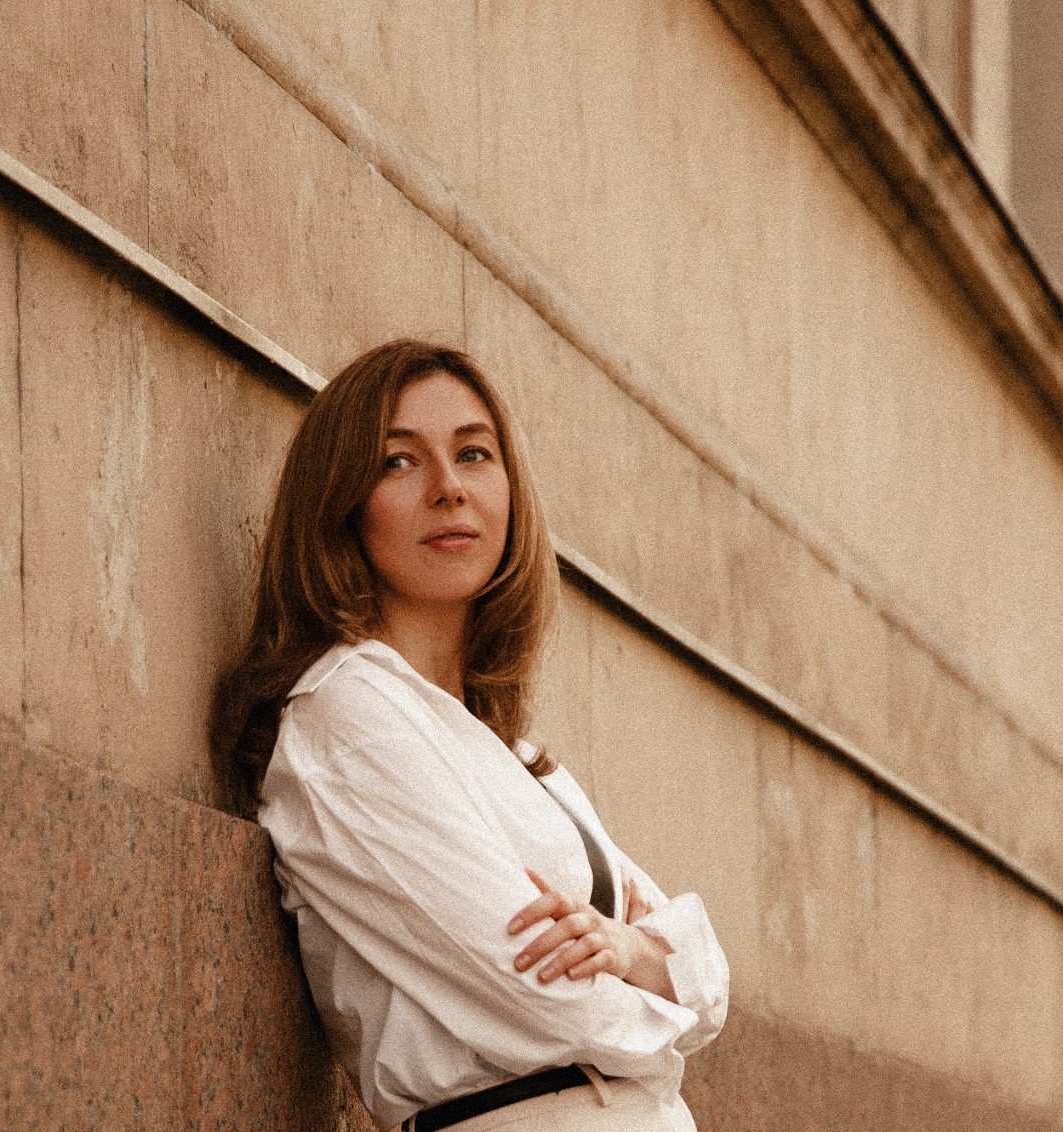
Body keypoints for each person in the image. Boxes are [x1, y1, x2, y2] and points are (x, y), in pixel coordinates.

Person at [211, 340, 728, 1131]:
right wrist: (662, 1001)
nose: (449, 488)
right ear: (342, 503)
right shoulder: (345, 716)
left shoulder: (515, 757)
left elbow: (708, 969)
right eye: (399, 462)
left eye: (474, 453)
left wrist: (631, 952)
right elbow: (540, 996)